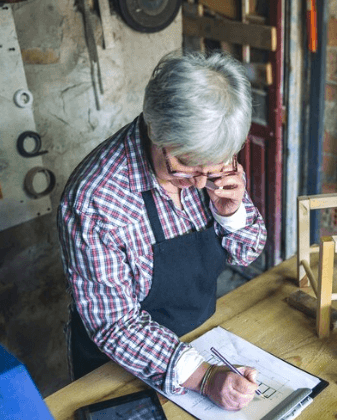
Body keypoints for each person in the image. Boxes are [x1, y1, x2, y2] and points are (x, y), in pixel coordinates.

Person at [57, 50, 267, 411]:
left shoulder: (209, 170)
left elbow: (246, 252)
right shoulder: (95, 200)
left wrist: (231, 215)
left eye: (213, 168)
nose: (200, 182)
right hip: (119, 366)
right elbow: (115, 324)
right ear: (155, 130)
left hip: (202, 339)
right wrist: (203, 377)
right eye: (186, 166)